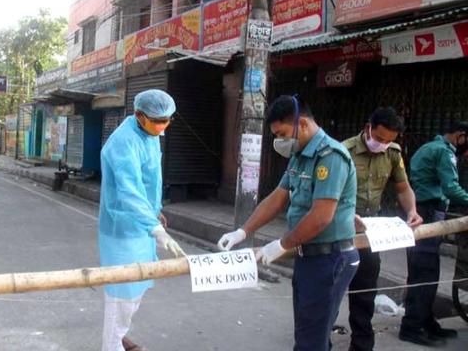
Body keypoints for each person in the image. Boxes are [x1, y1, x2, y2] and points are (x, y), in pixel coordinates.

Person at [217, 95, 359, 351]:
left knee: (311, 340)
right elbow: (277, 198)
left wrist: (282, 244)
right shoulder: (300, 154)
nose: (280, 142)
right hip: (309, 256)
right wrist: (243, 231)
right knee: (309, 332)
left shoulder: (331, 156)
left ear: (302, 123)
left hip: (331, 258)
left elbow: (321, 216)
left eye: (282, 134)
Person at [99, 89, 186, 351]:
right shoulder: (123, 142)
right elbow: (129, 189)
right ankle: (111, 346)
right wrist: (155, 228)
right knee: (121, 297)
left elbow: (149, 179)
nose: (163, 125)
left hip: (141, 224)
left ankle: (120, 340)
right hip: (122, 228)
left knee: (135, 292)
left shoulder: (150, 133)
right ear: (139, 115)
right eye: (158, 120)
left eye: (168, 120)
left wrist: (154, 212)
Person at [342, 107, 423, 351]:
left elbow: (402, 187)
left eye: (389, 141)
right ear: (368, 127)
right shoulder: (343, 151)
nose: (383, 144)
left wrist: (412, 211)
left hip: (370, 231)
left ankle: (362, 344)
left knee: (365, 291)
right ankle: (320, 341)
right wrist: (346, 215)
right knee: (331, 290)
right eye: (379, 138)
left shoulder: (393, 154)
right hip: (339, 228)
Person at [399, 121, 468, 346]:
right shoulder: (444, 152)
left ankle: (426, 322)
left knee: (422, 271)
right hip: (428, 212)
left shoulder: (428, 148)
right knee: (425, 273)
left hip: (419, 211)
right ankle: (412, 326)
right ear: (460, 136)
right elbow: (451, 188)